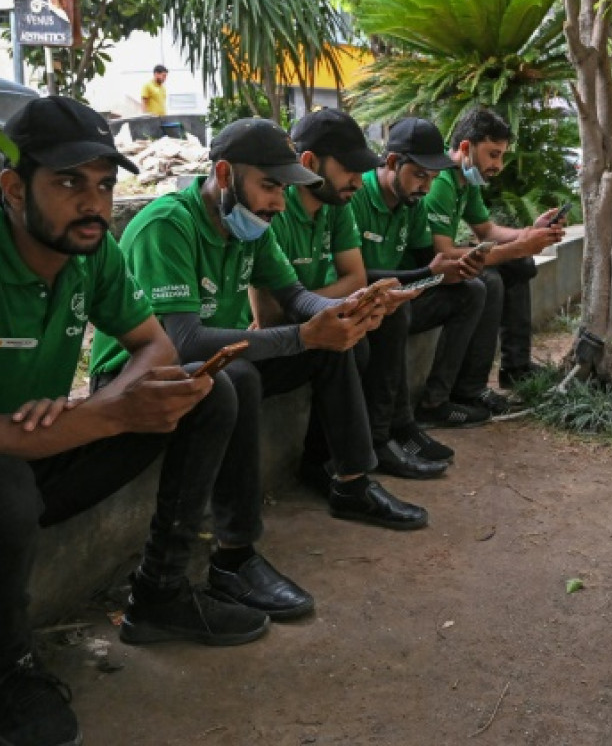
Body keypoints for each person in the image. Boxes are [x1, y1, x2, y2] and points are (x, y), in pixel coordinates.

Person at [0, 96, 267, 746]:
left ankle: (159, 592)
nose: (94, 204)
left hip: (28, 463)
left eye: (103, 185)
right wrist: (102, 415)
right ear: (14, 188)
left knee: (203, 391)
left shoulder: (91, 254)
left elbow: (155, 348)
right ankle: (8, 672)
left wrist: (121, 405)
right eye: (69, 183)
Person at [88, 117, 429, 573]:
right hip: (134, 375)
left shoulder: (252, 227)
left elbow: (296, 297)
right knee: (240, 376)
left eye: (284, 190)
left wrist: (356, 303)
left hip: (219, 363)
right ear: (226, 175)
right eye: (270, 186)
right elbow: (183, 339)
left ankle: (351, 482)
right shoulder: (168, 225)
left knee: (331, 346)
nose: (278, 203)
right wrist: (302, 334)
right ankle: (237, 552)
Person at [263, 108, 452, 481]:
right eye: (349, 168)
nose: (359, 181)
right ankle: (342, 464)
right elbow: (270, 313)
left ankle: (387, 436)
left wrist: (345, 300)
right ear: (309, 162)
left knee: (383, 315)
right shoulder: (274, 212)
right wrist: (336, 302)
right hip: (268, 335)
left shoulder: (335, 205)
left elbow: (355, 277)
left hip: (307, 316)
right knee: (347, 343)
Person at [349, 117, 490, 444]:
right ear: (394, 162)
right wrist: (429, 274)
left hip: (396, 295)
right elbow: (355, 276)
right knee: (393, 313)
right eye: (420, 176)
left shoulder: (410, 203)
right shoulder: (356, 198)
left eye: (433, 178)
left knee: (472, 290)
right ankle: (389, 432)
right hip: (359, 302)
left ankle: (436, 402)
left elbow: (427, 258)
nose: (426, 187)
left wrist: (460, 264)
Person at [421, 107, 563, 399]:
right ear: (465, 147)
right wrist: (519, 245)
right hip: (430, 268)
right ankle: (470, 388)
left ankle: (516, 366)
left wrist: (529, 233)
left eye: (501, 155)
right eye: (493, 154)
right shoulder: (441, 184)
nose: (498, 165)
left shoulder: (467, 181)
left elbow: (486, 231)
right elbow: (445, 253)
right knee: (491, 280)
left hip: (445, 260)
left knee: (520, 264)